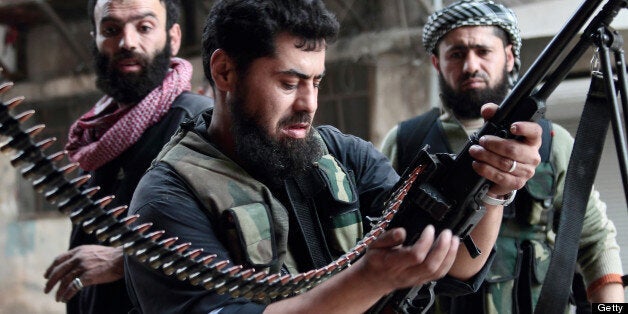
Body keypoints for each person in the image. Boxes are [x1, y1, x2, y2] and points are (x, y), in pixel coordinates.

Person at [123, 0, 543, 313]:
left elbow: (458, 266)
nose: (309, 104)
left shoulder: (342, 155)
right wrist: (370, 278)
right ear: (224, 73)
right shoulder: (167, 198)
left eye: (316, 82)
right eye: (289, 83)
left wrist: (493, 189)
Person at [380, 0, 625, 313]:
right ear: (436, 63)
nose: (471, 66)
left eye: (483, 51)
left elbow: (595, 240)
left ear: (509, 57)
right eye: (456, 54)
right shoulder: (405, 141)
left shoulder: (551, 142)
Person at [41, 0, 212, 313]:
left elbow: (235, 244)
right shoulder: (95, 135)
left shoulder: (198, 122)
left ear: (173, 38)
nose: (127, 42)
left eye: (144, 27)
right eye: (111, 30)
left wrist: (123, 260)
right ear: (94, 38)